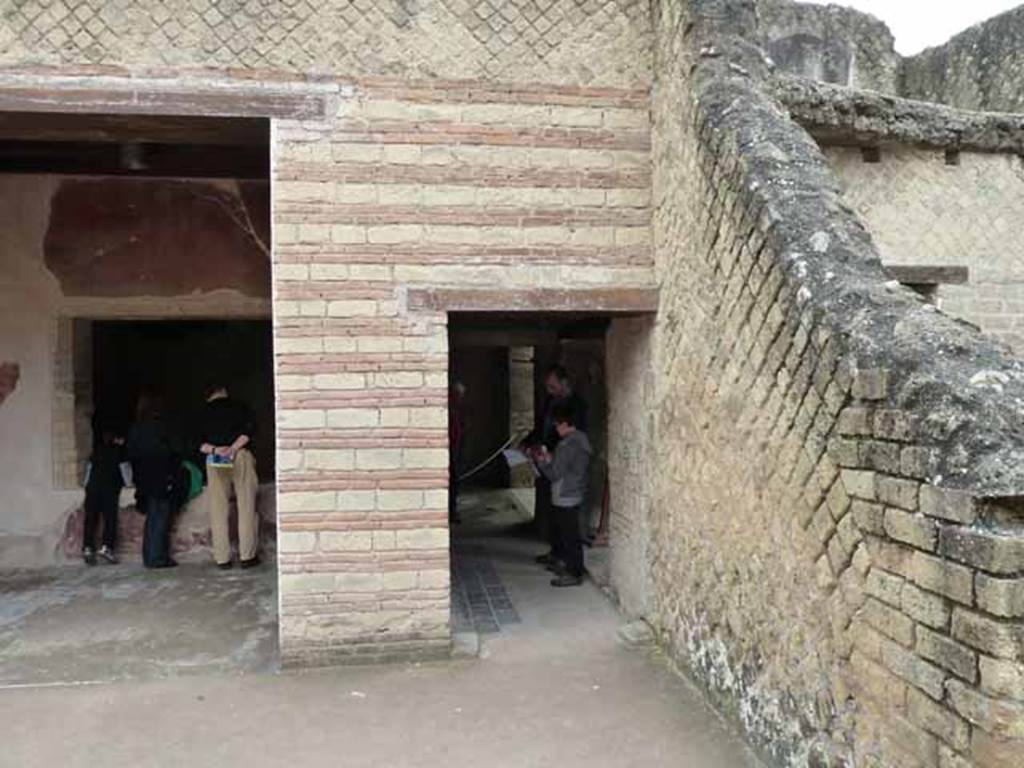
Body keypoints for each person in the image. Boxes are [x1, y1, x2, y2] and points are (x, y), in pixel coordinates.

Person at [521, 364, 588, 567]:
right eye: (547, 387)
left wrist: (551, 454)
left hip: (561, 465)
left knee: (566, 520)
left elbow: (572, 438)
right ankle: (556, 552)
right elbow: (541, 427)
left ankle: (569, 562)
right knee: (552, 510)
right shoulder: (551, 401)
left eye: (552, 386)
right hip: (548, 460)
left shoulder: (577, 406)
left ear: (564, 383)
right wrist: (528, 443)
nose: (549, 391)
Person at [197, 383, 259, 570]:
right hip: (238, 454)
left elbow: (196, 442)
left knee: (218, 508)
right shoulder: (240, 405)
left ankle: (222, 559)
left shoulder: (203, 412)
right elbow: (249, 431)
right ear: (224, 391)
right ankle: (247, 556)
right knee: (246, 505)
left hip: (215, 456)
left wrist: (216, 450)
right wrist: (232, 449)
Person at [533, 403, 592, 587]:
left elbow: (554, 474)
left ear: (566, 424)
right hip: (575, 491)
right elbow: (568, 466)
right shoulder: (581, 440)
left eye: (557, 424)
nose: (556, 428)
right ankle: (571, 567)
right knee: (570, 534)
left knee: (569, 537)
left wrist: (541, 462)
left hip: (565, 494)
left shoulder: (566, 444)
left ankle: (574, 573)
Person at [127, 395, 182, 569]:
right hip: (161, 476)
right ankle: (157, 557)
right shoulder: (162, 427)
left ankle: (149, 556)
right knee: (161, 516)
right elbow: (175, 450)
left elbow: (130, 453)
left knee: (151, 517)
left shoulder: (136, 428)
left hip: (143, 478)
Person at [82, 412, 125, 566]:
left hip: (92, 488)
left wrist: (86, 486)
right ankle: (106, 547)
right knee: (109, 519)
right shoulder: (118, 452)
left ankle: (87, 547)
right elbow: (125, 471)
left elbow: (88, 470)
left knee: (90, 518)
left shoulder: (96, 451)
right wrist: (129, 484)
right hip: (109, 488)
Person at [448, 381, 466, 525]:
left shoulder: (456, 410)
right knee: (452, 483)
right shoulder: (448, 410)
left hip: (455, 450)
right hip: (449, 451)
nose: (460, 399)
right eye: (458, 395)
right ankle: (450, 512)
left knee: (455, 482)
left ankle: (452, 511)